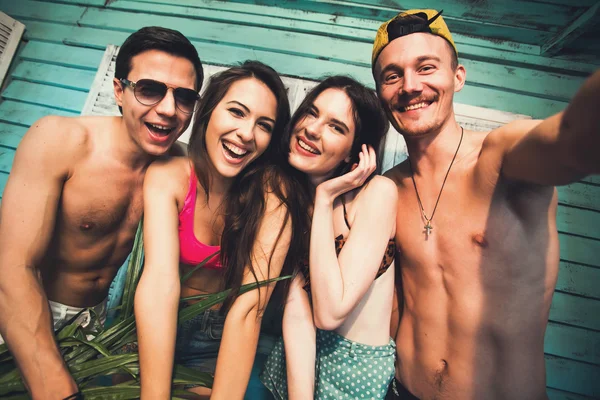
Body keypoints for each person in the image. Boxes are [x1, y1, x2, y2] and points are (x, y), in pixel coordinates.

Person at [371, 9, 600, 400]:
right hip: (401, 390)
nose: (409, 86)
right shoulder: (387, 189)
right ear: (381, 93)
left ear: (458, 77)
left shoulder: (501, 158)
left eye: (426, 67)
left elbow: (573, 141)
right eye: (392, 75)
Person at [0, 26, 203, 399]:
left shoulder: (181, 165)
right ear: (119, 91)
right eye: (149, 89)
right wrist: (55, 386)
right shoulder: (60, 139)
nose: (169, 109)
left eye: (185, 97)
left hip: (96, 326)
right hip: (20, 310)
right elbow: (12, 269)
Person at [135, 60, 304, 399]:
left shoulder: (273, 192)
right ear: (209, 110)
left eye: (264, 125)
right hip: (152, 328)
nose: (246, 133)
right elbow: (158, 285)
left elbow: (250, 307)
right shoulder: (170, 175)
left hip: (216, 338)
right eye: (237, 112)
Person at [260, 76, 397, 399]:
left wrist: (324, 199)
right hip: (296, 364)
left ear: (357, 151)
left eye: (336, 127)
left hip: (357, 373)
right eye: (311, 112)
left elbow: (330, 312)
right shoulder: (288, 197)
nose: (311, 129)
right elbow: (297, 311)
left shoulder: (377, 194)